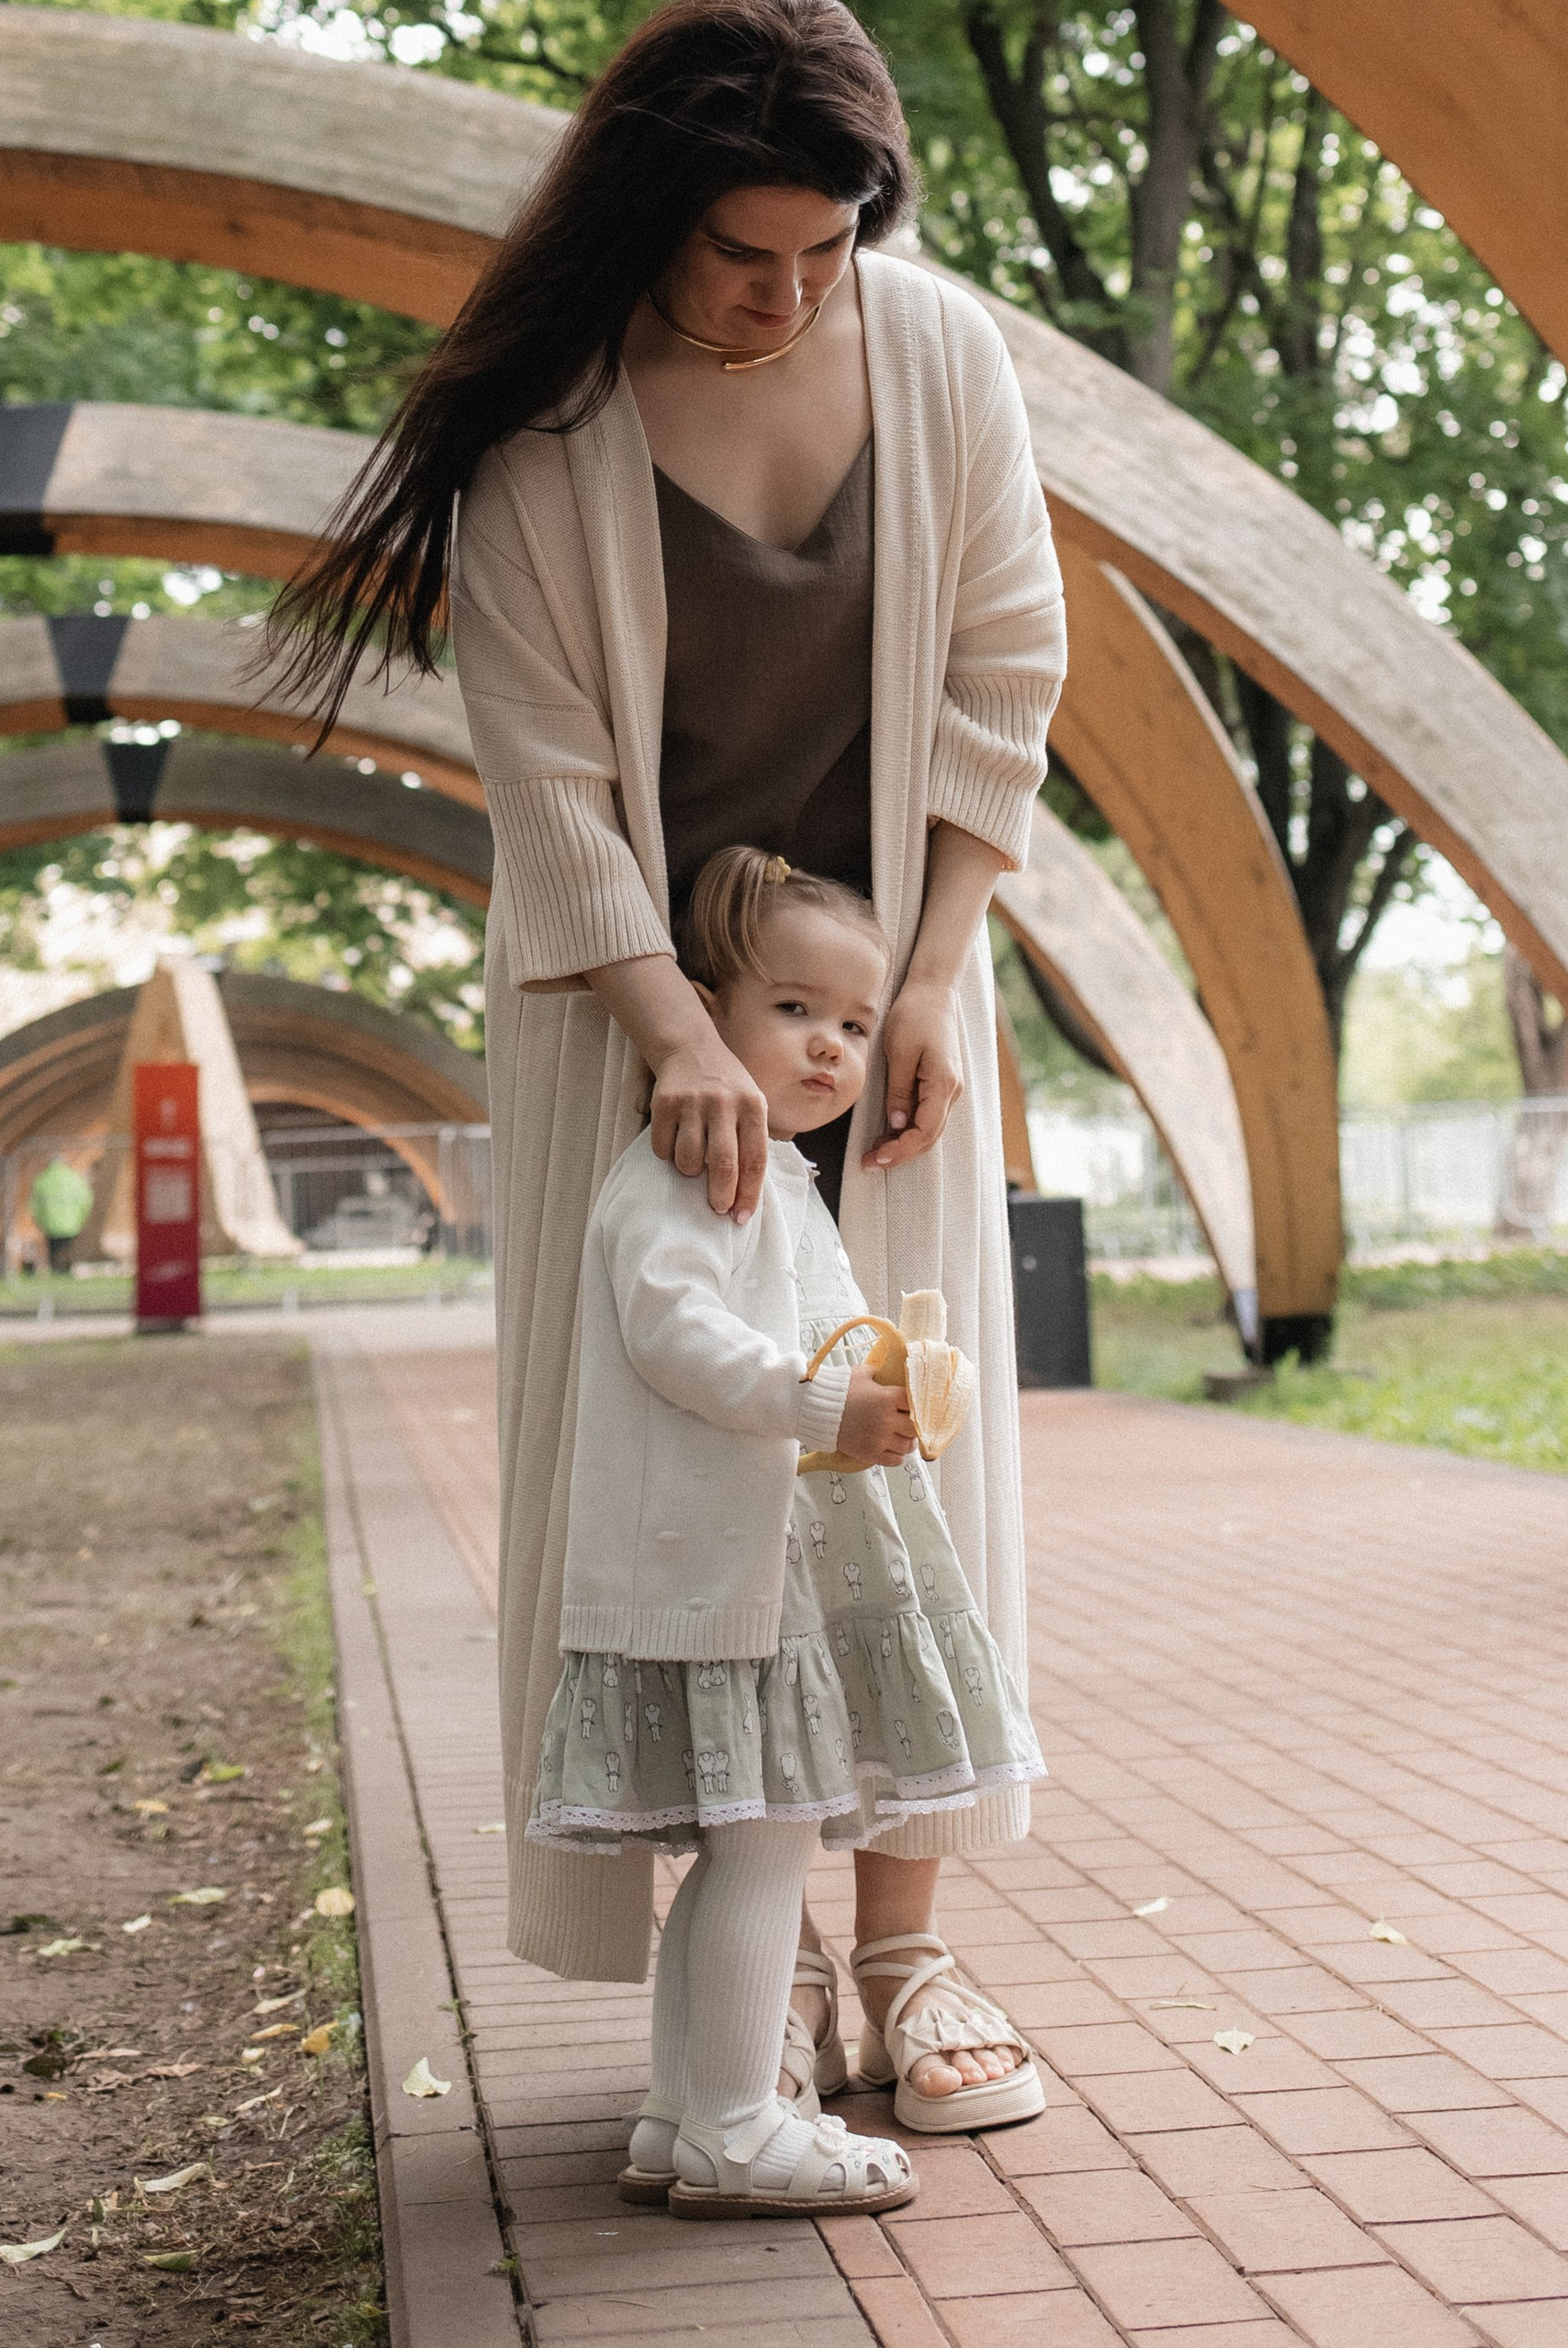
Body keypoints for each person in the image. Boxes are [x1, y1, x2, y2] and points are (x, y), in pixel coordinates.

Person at [274, 0, 1065, 2119]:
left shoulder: (938, 353)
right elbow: (536, 770)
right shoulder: (544, 430)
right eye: (747, 252)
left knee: (899, 1445)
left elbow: (1006, 657)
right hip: (633, 1002)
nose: (793, 291)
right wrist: (663, 1034)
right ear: (649, 214)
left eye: (829, 247)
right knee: (688, 1467)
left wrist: (927, 965)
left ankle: (905, 1961)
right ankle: (760, 1943)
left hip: (881, 993)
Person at [530, 849, 1043, 2213]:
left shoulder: (776, 1177)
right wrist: (820, 1400)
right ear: (705, 1013)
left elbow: (818, 1333)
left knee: (739, 1847)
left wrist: (911, 1392)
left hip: (747, 1579)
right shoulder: (686, 1173)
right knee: (762, 1846)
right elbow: (677, 1334)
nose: (832, 1047)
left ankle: (685, 2114)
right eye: (795, 1011)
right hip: (720, 1579)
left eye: (857, 1026)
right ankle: (744, 2118)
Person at [29, 1153, 93, 1274]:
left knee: (54, 1251)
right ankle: (67, 1270)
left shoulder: (41, 1180)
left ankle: (56, 1271)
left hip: (50, 1224)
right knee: (68, 1250)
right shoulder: (75, 1179)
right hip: (72, 1224)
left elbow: (33, 1204)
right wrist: (81, 1218)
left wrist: (39, 1221)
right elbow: (87, 1200)